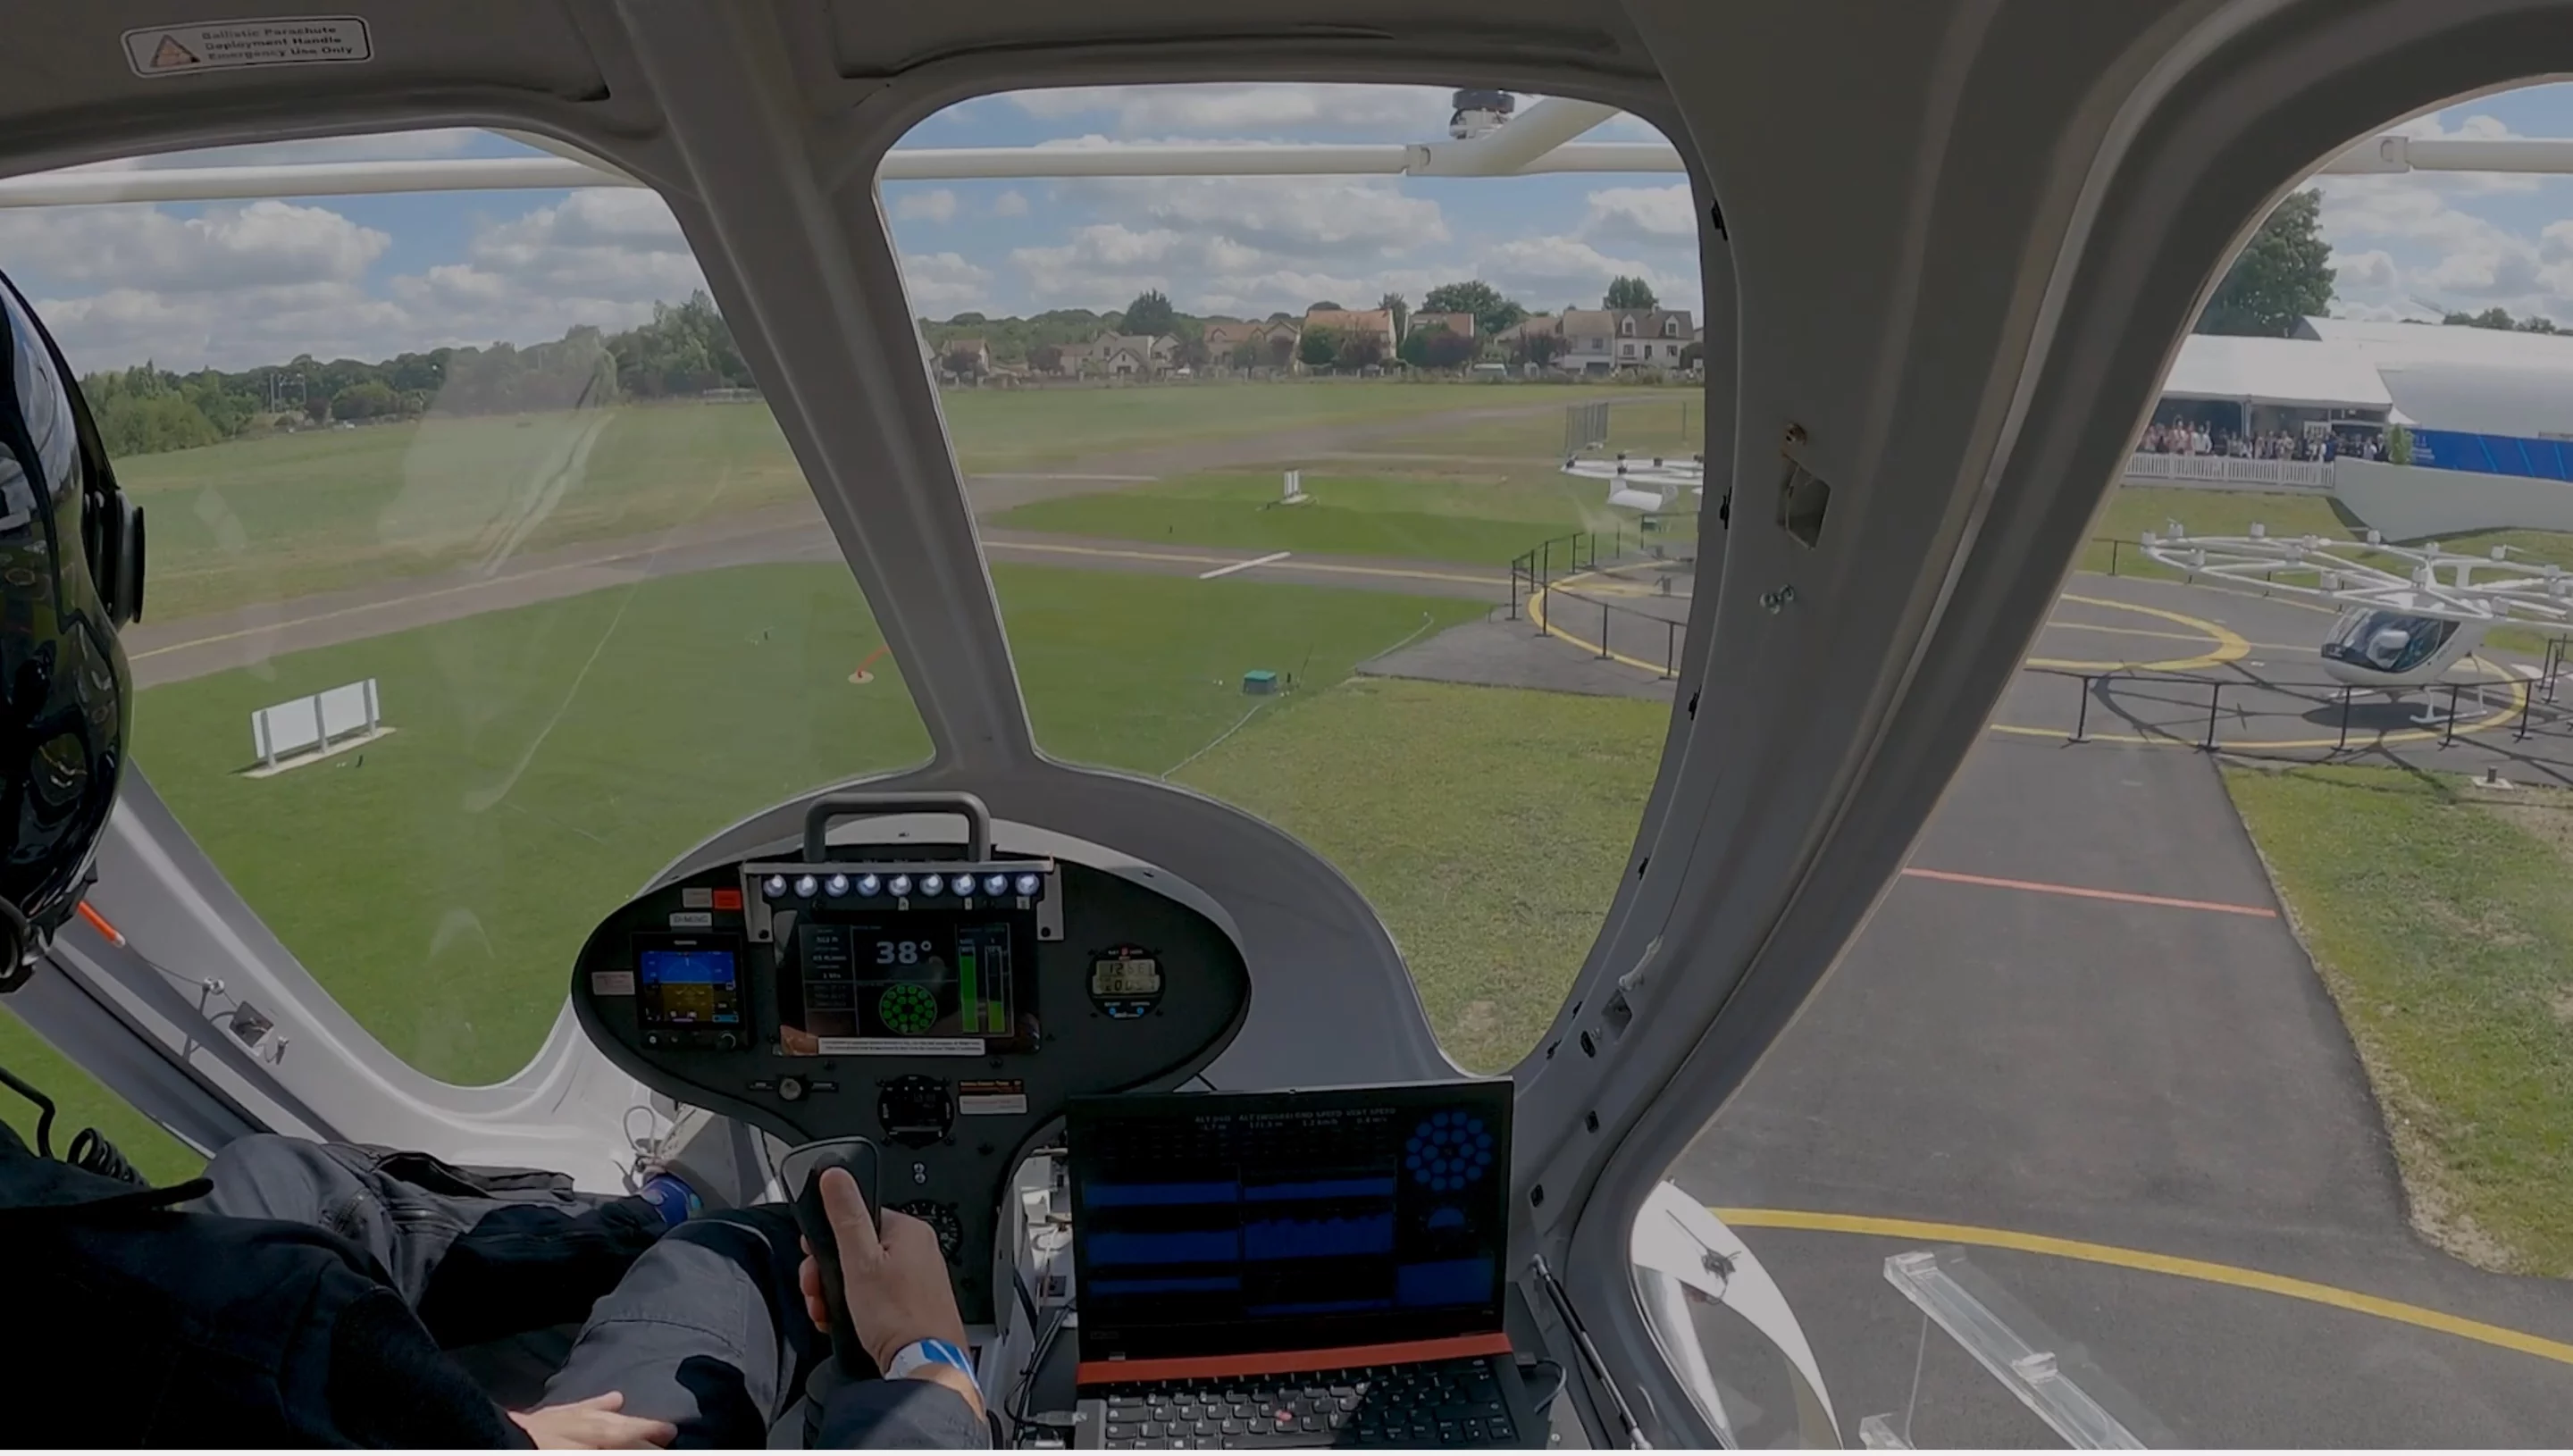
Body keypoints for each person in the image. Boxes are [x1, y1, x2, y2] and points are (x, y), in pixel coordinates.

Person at [0, 266, 985, 1448]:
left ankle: (639, 1215)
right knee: (752, 1249)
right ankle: (693, 1226)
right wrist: (932, 1372)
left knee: (285, 1174)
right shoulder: (248, 1326)